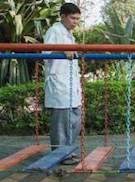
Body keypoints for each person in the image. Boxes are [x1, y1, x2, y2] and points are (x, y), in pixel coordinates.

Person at [44, 2, 81, 165]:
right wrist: (61, 51)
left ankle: (69, 151)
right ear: (63, 16)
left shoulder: (69, 34)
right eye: (73, 18)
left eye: (78, 19)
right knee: (61, 123)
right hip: (59, 83)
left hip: (71, 84)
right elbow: (45, 53)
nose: (76, 22)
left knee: (75, 119)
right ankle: (60, 154)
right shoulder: (54, 31)